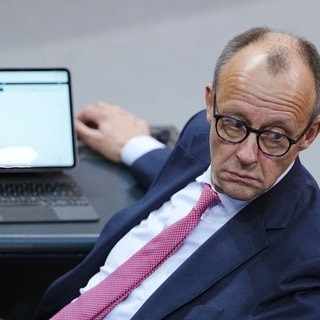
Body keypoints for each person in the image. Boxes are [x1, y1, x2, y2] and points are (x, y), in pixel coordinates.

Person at [33, 26, 320, 320]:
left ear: (309, 134)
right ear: (210, 104)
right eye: (234, 124)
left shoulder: (307, 262)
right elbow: (180, 165)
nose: (246, 156)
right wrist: (133, 145)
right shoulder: (200, 138)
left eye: (275, 136)